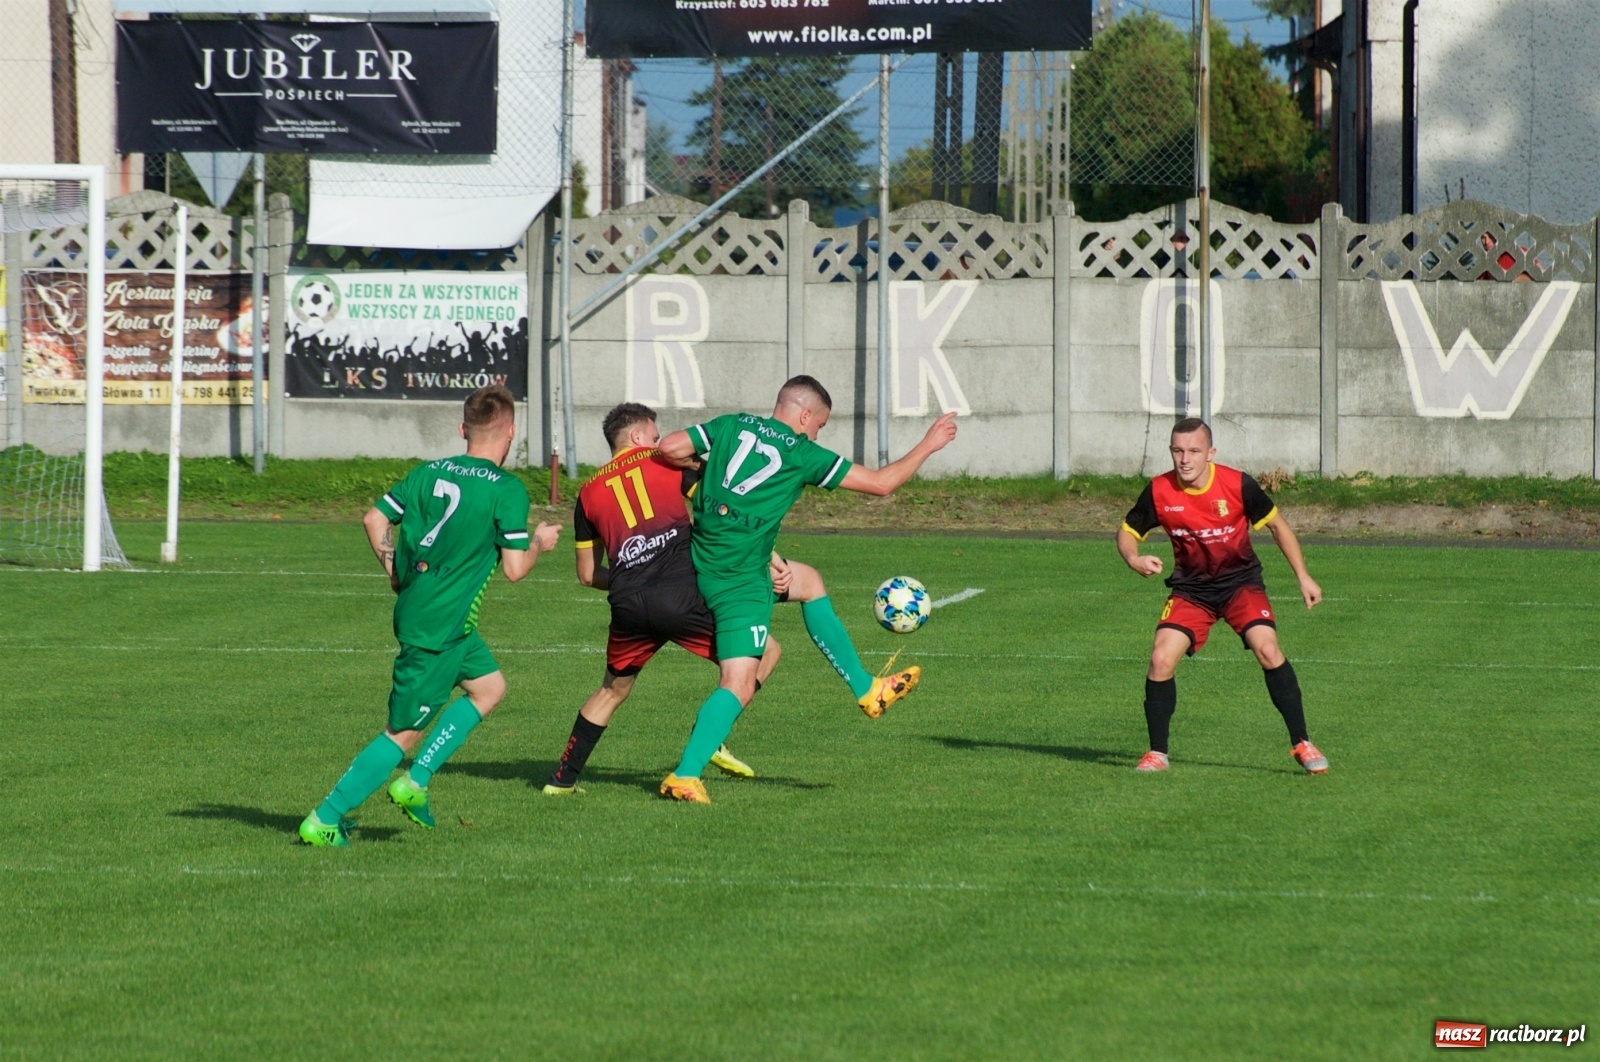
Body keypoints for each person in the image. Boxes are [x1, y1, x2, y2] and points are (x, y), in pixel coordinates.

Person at [654, 374, 960, 803]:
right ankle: (684, 776)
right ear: (803, 415)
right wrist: (929, 443)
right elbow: (882, 484)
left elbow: (668, 448)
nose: (818, 432)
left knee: (810, 581)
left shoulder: (730, 425)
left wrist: (708, 481)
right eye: (820, 425)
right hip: (736, 580)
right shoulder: (800, 452)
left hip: (711, 555)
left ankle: (867, 689)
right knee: (738, 682)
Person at [298, 385, 561, 846]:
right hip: (437, 629)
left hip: (448, 623)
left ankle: (415, 782)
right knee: (402, 732)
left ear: (464, 429)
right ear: (512, 432)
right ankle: (325, 817)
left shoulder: (427, 473)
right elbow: (516, 569)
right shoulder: (507, 490)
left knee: (490, 688)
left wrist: (393, 571)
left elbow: (373, 519)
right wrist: (538, 541)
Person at [544, 401, 784, 794]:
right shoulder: (665, 463)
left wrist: (628, 577)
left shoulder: (587, 493)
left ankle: (561, 781)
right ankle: (711, 737)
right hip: (680, 593)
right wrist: (770, 555)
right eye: (655, 436)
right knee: (766, 652)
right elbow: (719, 510)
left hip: (628, 604)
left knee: (612, 690)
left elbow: (587, 575)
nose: (662, 442)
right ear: (638, 437)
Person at [1117, 417, 1328, 774]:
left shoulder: (1236, 484)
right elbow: (1127, 532)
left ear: (1210, 453)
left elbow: (1278, 526)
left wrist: (1303, 577)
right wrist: (1133, 558)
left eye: (1194, 451)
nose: (1185, 459)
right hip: (1191, 590)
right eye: (1178, 451)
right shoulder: (1159, 491)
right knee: (1160, 659)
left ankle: (1303, 743)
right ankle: (1157, 753)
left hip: (1240, 585)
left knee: (1268, 648)